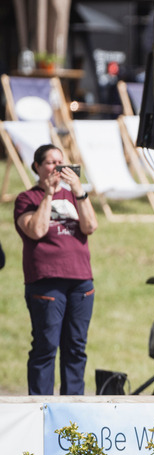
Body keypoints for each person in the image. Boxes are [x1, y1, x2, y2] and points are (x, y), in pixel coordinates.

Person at [15, 144, 97, 395]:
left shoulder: (75, 195)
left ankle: (73, 408)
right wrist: (48, 195)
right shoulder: (26, 199)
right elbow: (36, 230)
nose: (57, 167)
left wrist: (79, 191)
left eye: (60, 162)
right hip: (46, 281)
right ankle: (40, 406)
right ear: (37, 167)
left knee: (75, 347)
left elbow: (90, 226)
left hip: (81, 281)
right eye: (50, 162)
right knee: (46, 346)